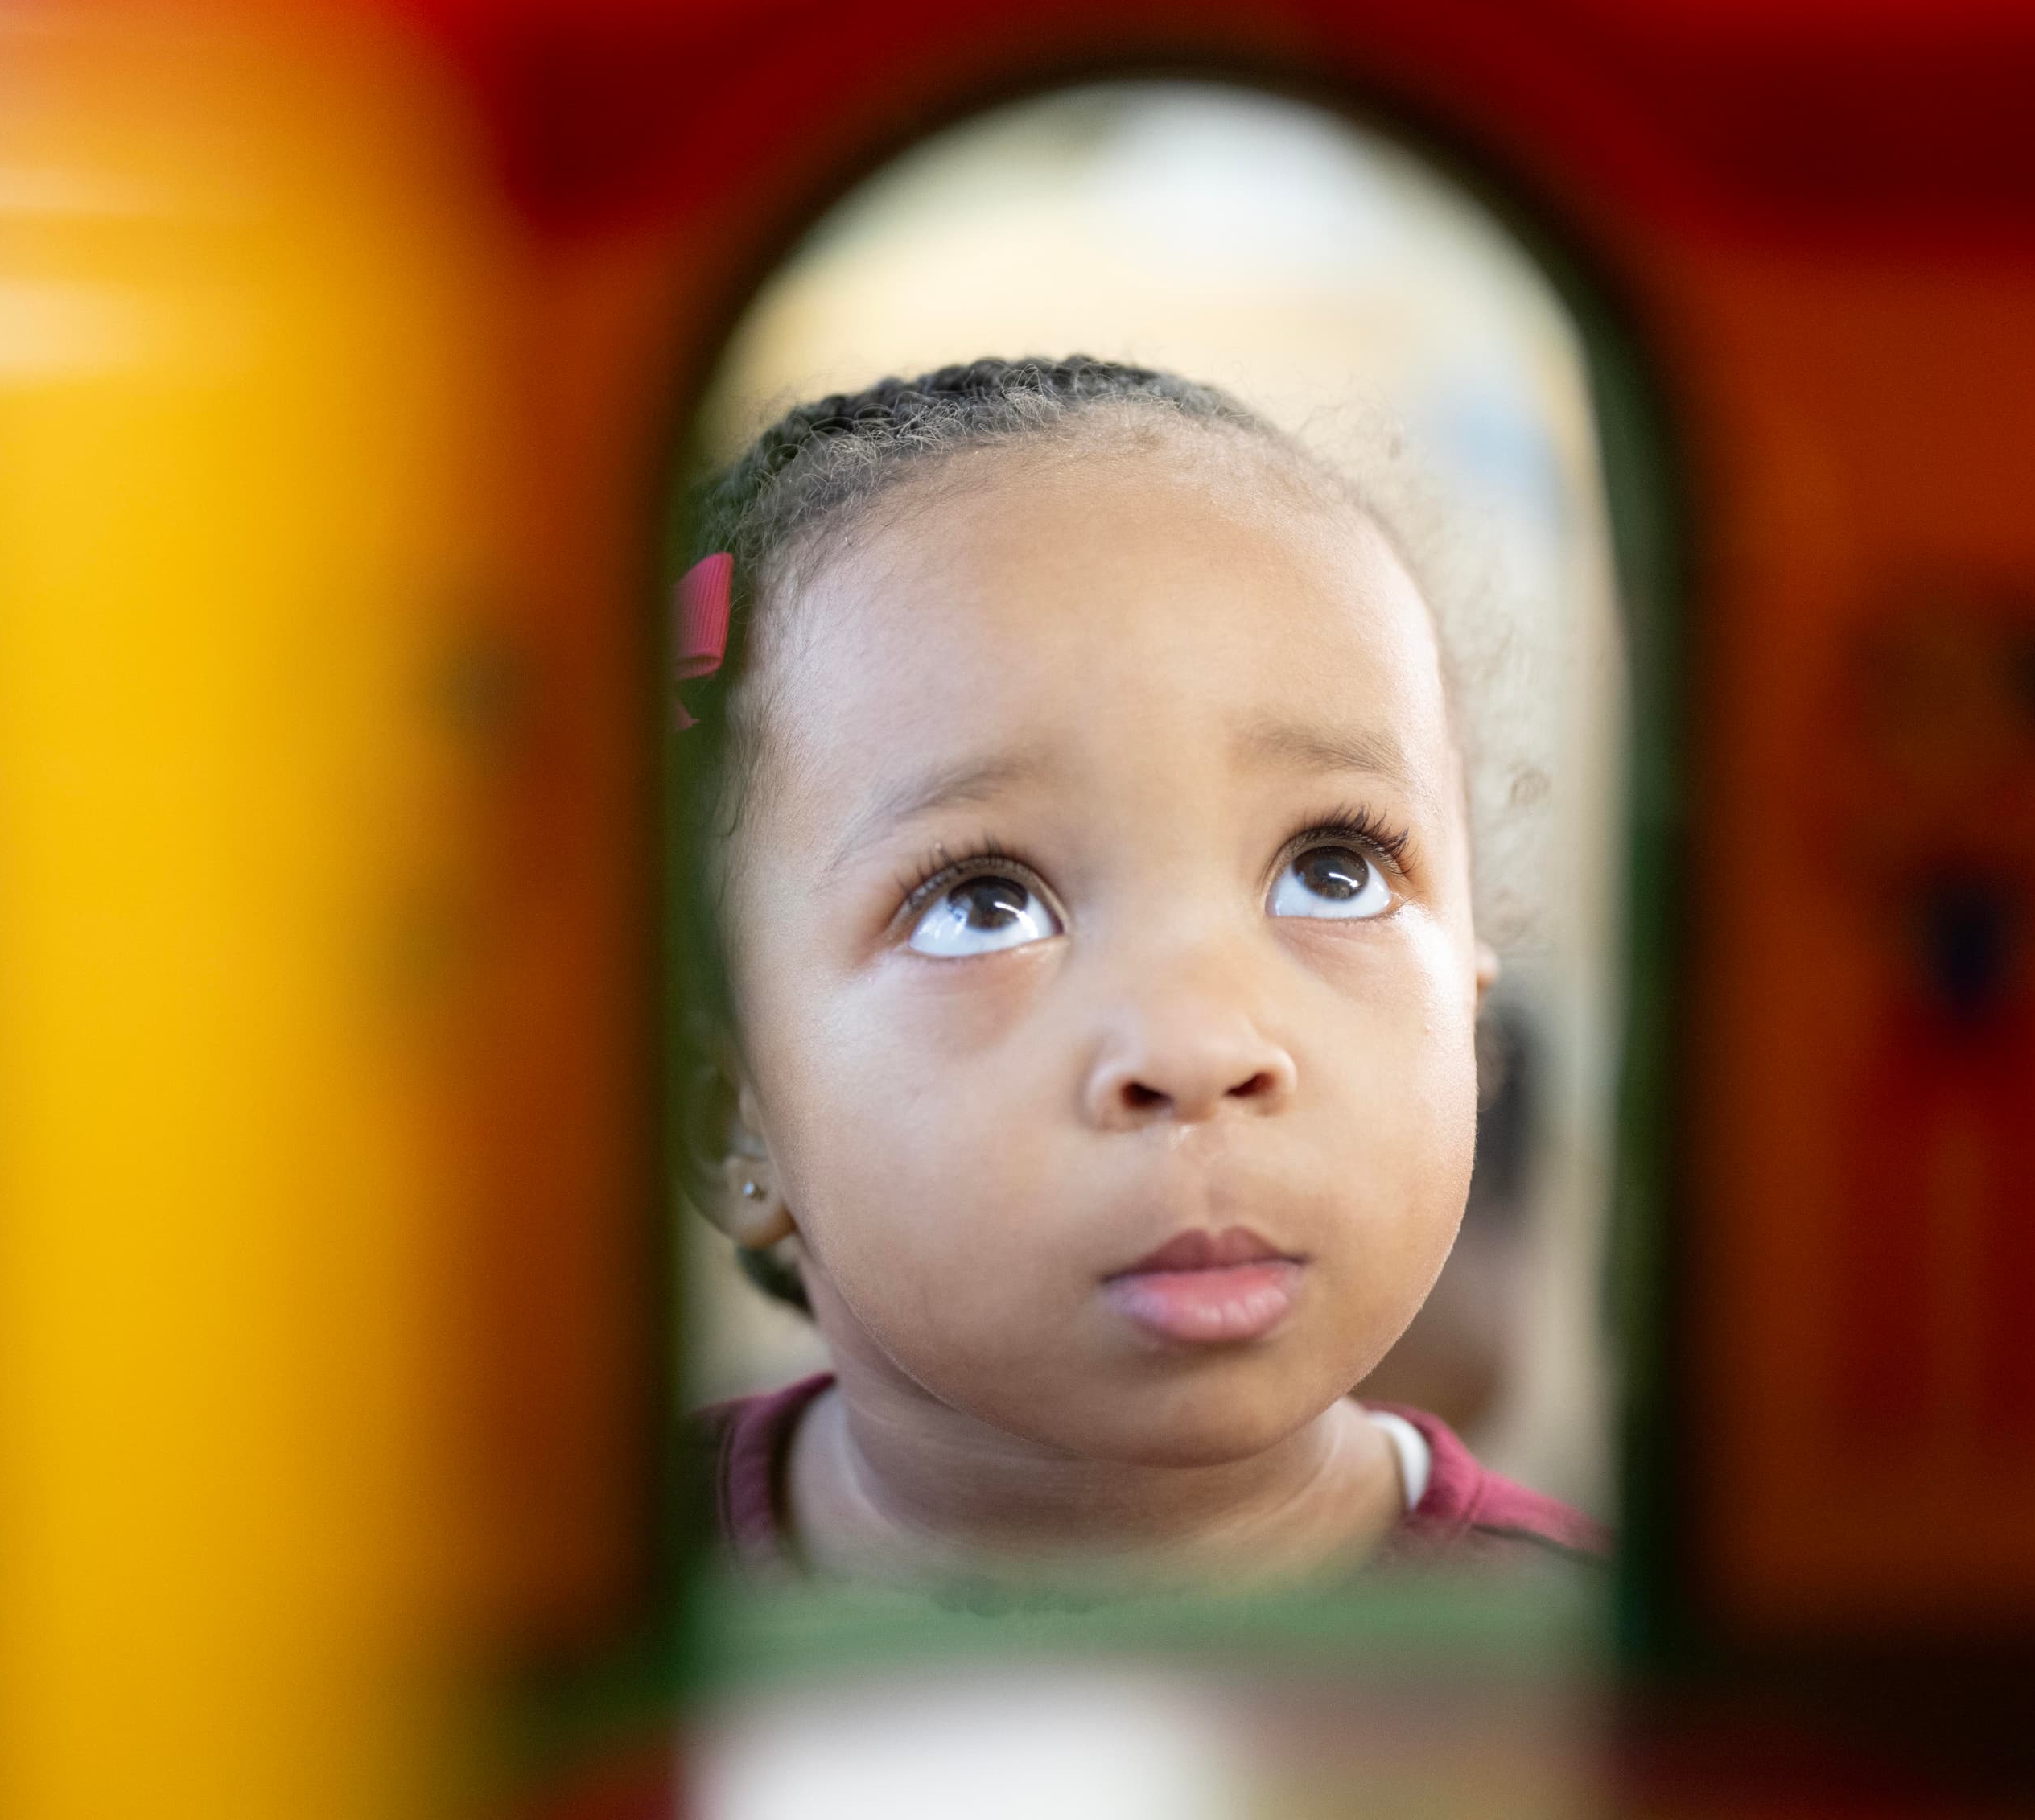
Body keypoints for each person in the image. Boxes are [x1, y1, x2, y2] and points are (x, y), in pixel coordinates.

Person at [669, 356, 1601, 1592]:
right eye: (981, 905)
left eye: (1336, 870)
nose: (1201, 1050)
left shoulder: (1589, 1666)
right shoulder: (548, 1606)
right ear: (732, 1112)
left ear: (1470, 1023)